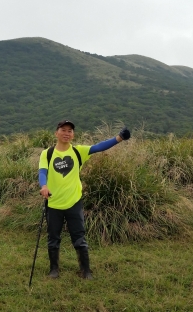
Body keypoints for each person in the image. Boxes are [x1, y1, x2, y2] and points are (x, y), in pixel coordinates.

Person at [38, 120, 130, 280]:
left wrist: (119, 138)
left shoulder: (78, 151)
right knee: (53, 238)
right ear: (56, 133)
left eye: (70, 131)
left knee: (79, 237)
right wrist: (44, 186)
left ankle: (85, 270)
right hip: (53, 202)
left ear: (73, 134)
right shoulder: (47, 153)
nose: (67, 133)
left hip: (74, 201)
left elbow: (98, 147)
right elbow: (42, 172)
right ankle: (54, 270)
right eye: (63, 130)